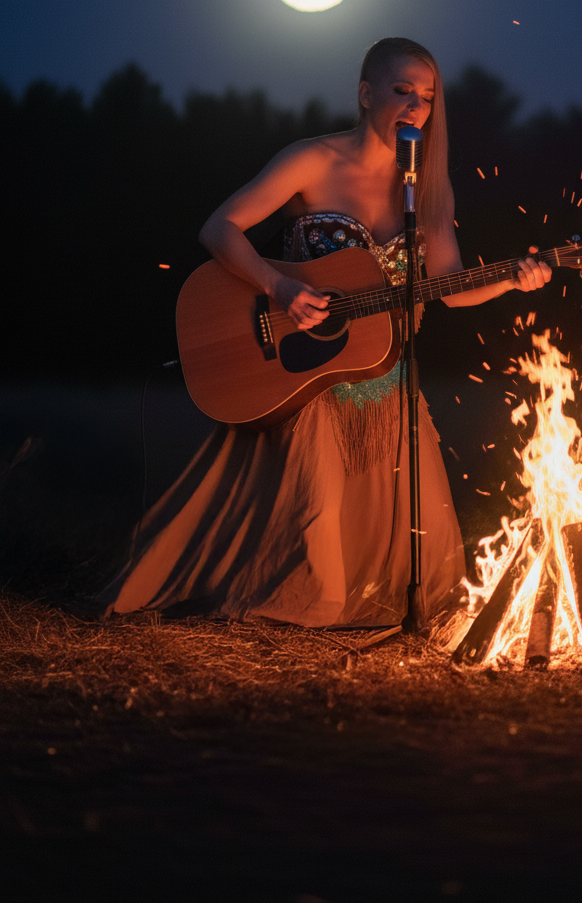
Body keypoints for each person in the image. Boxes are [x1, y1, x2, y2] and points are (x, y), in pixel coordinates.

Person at [100, 38, 551, 627]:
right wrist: (277, 286)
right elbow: (220, 228)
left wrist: (512, 280)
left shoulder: (428, 187)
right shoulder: (312, 160)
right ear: (366, 95)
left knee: (428, 549)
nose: (417, 106)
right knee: (313, 529)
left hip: (386, 375)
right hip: (301, 372)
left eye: (429, 97)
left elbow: (450, 287)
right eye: (402, 90)